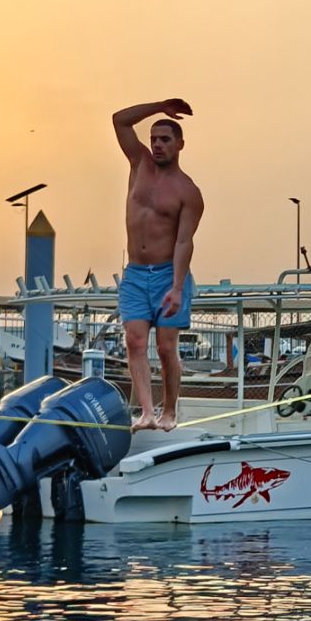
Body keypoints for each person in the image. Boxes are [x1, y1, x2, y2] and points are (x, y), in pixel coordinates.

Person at [113, 98, 204, 432]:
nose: (157, 145)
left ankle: (170, 411)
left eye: (165, 139)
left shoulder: (188, 192)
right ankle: (147, 413)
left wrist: (178, 288)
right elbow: (119, 119)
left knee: (166, 347)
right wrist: (160, 106)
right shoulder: (139, 165)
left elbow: (184, 242)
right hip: (136, 273)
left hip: (168, 275)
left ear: (180, 144)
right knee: (135, 341)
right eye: (153, 139)